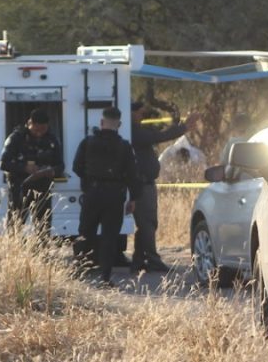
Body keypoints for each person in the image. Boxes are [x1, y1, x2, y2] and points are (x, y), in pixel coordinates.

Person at [72, 106, 140, 285]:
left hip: (92, 193)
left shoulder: (87, 142)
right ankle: (105, 276)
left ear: (101, 123)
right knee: (110, 236)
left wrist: (89, 181)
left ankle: (80, 272)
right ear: (119, 124)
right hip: (114, 195)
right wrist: (132, 198)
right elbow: (133, 174)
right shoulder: (124, 146)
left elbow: (76, 167)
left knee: (85, 232)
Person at [130, 101, 199, 272]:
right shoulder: (134, 132)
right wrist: (183, 128)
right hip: (142, 184)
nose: (141, 115)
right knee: (148, 223)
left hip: (145, 183)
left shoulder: (136, 130)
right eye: (138, 112)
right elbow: (158, 137)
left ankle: (139, 260)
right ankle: (152, 260)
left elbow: (157, 134)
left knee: (145, 224)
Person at [0, 108, 64, 236]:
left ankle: (41, 253)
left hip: (42, 189)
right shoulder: (16, 138)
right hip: (20, 188)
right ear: (29, 124)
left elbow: (60, 165)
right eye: (36, 130)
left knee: (43, 228)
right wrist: (24, 168)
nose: (39, 133)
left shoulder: (51, 140)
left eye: (43, 130)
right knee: (15, 227)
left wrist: (51, 171)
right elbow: (3, 163)